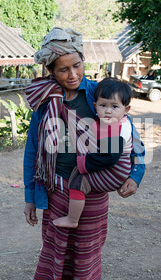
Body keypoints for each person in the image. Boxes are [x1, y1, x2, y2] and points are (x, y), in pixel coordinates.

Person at [23, 27, 145, 280]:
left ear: (83, 60)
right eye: (63, 69)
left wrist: (136, 174)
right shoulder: (44, 102)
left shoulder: (99, 95)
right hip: (54, 188)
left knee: (84, 252)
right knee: (53, 248)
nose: (72, 74)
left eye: (77, 65)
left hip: (91, 191)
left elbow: (132, 133)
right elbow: (33, 150)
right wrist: (29, 194)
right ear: (50, 70)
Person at [53, 77, 133, 228]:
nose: (108, 110)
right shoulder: (108, 122)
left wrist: (83, 163)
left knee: (77, 182)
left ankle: (72, 219)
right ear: (95, 106)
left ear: (126, 110)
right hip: (113, 168)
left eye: (114, 106)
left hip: (116, 172)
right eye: (103, 105)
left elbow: (110, 156)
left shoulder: (118, 128)